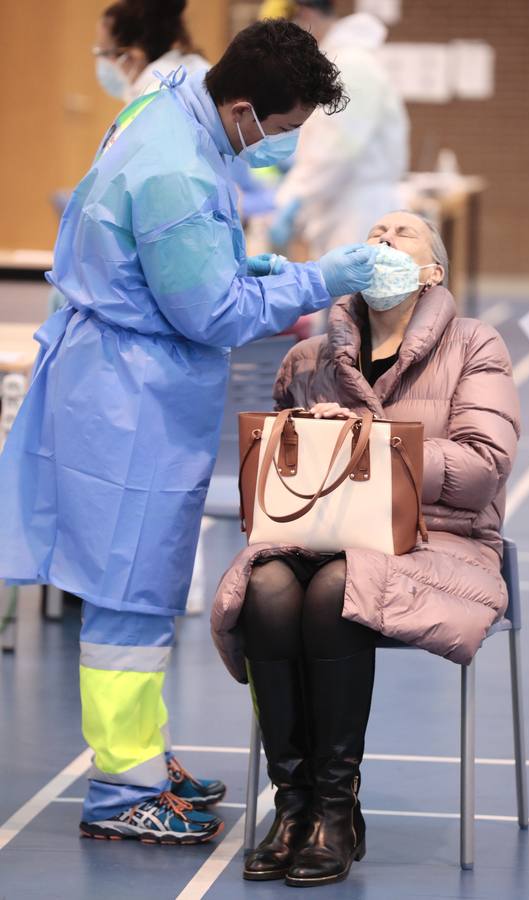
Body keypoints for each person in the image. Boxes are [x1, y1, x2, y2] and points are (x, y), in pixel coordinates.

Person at [0, 19, 377, 845]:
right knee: (128, 592)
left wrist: (242, 260)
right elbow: (211, 312)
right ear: (242, 108)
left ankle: (141, 754)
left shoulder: (171, 105)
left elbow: (173, 258)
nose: (279, 146)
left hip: (119, 376)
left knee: (134, 583)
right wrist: (317, 279)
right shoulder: (175, 167)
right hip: (126, 399)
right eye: (279, 131)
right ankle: (119, 786)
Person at [211, 210, 520, 886]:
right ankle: (291, 804)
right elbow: (281, 482)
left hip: (440, 540)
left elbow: (481, 468)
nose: (384, 239)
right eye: (375, 232)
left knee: (335, 588)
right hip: (319, 533)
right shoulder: (308, 359)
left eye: (403, 233)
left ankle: (334, 806)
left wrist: (367, 442)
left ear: (432, 271)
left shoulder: (475, 345)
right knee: (263, 585)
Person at [270, 0, 410, 258]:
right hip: (343, 204)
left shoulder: (351, 66)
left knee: (350, 295)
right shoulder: (343, 61)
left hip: (357, 212)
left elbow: (338, 149)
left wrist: (293, 196)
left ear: (305, 15)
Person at [94, 0, 210, 104]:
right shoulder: (196, 67)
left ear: (133, 54)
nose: (101, 62)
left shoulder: (151, 92)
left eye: (104, 53)